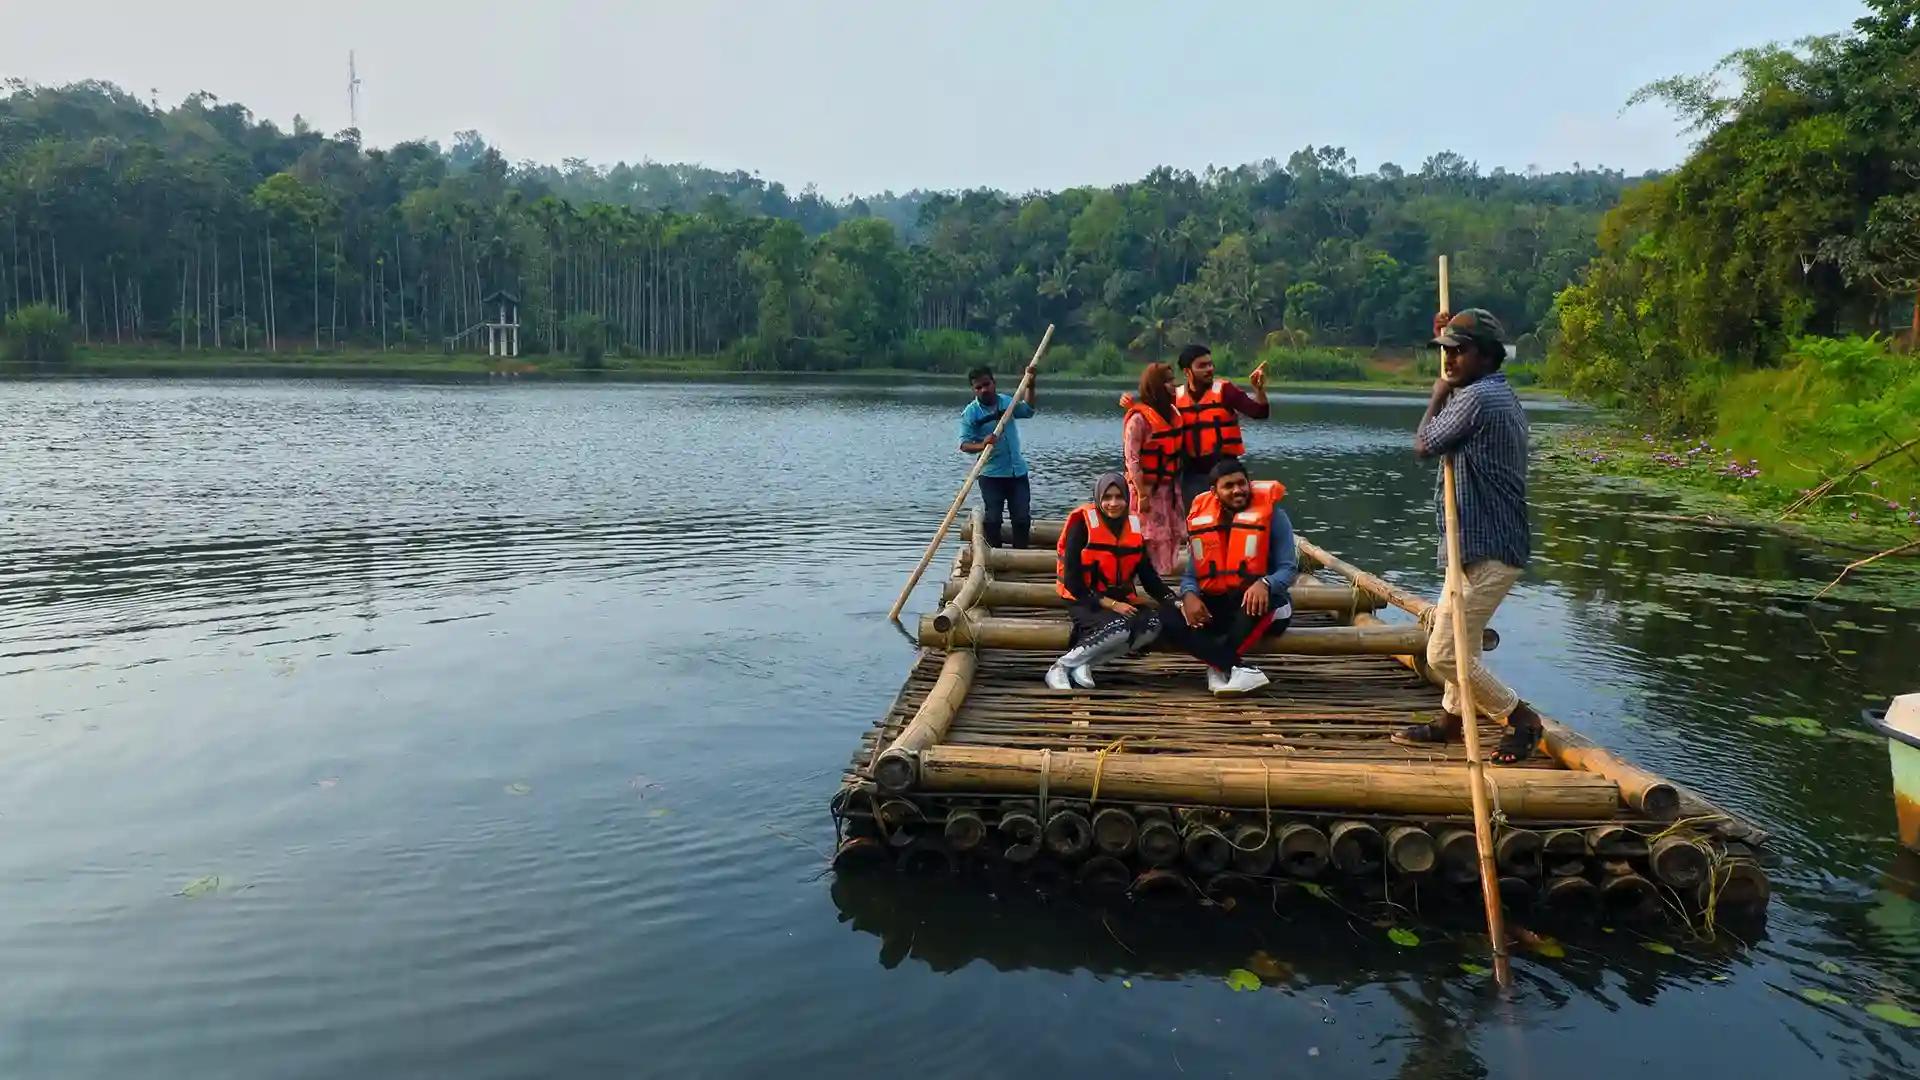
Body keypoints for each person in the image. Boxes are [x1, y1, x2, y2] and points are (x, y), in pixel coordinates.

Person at [1392, 308, 1543, 763]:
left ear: (1486, 357)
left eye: (1460, 352)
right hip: (1474, 544)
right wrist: (1447, 337)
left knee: (1442, 654)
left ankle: (1520, 718)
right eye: (1446, 352)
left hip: (1491, 546)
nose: (1450, 360)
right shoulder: (1486, 392)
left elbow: (1424, 445)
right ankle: (1452, 722)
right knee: (1466, 641)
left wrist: (1437, 394)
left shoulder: (1479, 400)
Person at [1167, 457, 1298, 695]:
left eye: (1241, 483)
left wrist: (1266, 583)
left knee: (1251, 604)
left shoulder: (1274, 517)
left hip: (1269, 602)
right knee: (1167, 616)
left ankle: (1217, 669)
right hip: (1222, 602)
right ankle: (1238, 669)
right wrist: (1189, 595)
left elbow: (1288, 569)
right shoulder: (1203, 522)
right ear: (1214, 491)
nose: (1237, 490)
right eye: (1229, 486)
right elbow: (1191, 575)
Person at [1045, 473, 1177, 690]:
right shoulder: (1082, 524)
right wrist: (1111, 604)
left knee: (1152, 625)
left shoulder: (1133, 528)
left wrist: (1176, 601)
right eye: (1107, 497)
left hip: (1120, 597)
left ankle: (1083, 663)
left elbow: (1149, 578)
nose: (1113, 503)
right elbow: (1072, 581)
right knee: (1120, 628)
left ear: (1127, 499)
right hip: (1083, 597)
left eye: (1119, 497)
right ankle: (1059, 667)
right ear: (1098, 498)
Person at [1120, 344, 1270, 510]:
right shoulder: (1176, 397)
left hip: (1225, 468)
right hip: (1191, 472)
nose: (1209, 369)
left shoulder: (1226, 391)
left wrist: (1259, 390)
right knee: (1195, 516)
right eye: (1202, 366)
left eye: (1210, 364)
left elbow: (1259, 412)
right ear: (1187, 371)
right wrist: (1131, 405)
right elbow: (1153, 417)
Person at [958, 362, 1038, 548]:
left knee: (1021, 518)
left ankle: (1021, 557)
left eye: (987, 384)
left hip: (1017, 473)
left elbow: (1028, 411)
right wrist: (982, 444)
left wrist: (1031, 385)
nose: (984, 390)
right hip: (991, 475)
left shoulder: (1007, 402)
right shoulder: (971, 413)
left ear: (994, 383)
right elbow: (964, 445)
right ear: (974, 390)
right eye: (978, 387)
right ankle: (995, 557)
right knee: (993, 519)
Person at [1122, 362, 1187, 576]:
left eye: (1173, 380)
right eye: (1167, 381)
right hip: (1146, 491)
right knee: (1145, 537)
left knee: (1168, 537)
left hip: (1169, 491)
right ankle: (1140, 582)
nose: (1173, 385)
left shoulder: (1174, 413)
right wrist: (1141, 494)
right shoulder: (1138, 419)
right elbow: (1132, 459)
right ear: (1156, 385)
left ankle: (1162, 579)